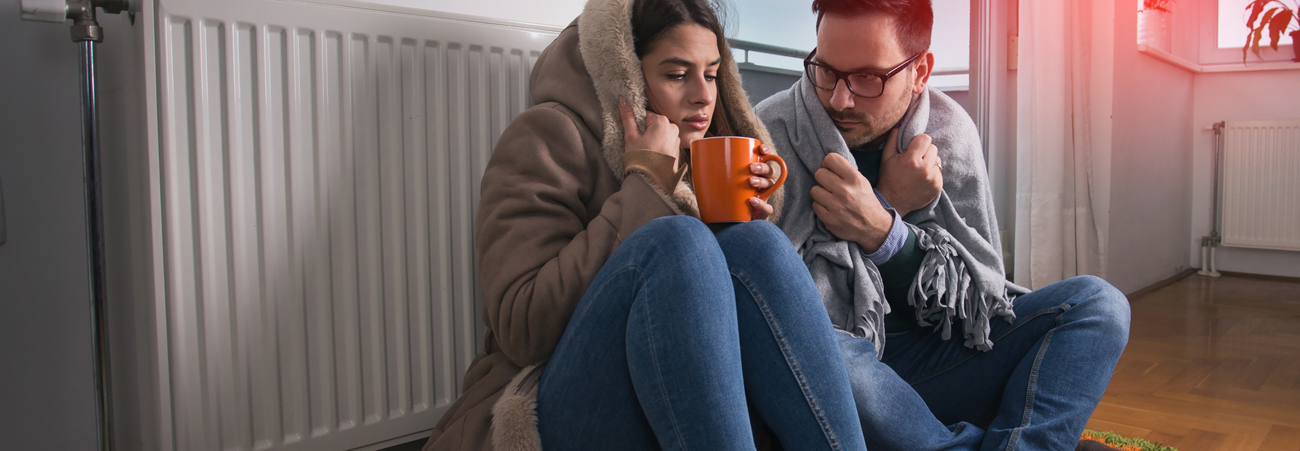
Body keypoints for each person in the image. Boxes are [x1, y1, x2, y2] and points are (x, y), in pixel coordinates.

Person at [423, 0, 871, 450]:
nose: (702, 96)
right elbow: (521, 328)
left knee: (756, 242)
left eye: (712, 74)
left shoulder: (699, 150)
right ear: (628, 77)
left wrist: (727, 228)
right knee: (677, 242)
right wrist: (646, 188)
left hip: (666, 390)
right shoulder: (546, 137)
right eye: (677, 75)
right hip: (550, 396)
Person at [752, 0, 1132, 450]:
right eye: (826, 70)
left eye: (868, 78)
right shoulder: (769, 131)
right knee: (827, 351)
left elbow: (977, 308)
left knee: (1099, 305)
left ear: (921, 71)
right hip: (840, 371)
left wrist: (884, 233)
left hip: (933, 359)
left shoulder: (950, 134)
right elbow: (773, 310)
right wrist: (889, 201)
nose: (839, 98)